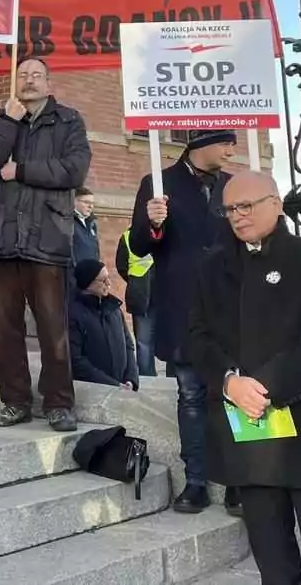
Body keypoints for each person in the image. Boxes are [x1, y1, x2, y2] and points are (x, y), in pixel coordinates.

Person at [186, 171, 301, 585]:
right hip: (250, 429)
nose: (237, 216)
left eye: (247, 206)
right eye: (230, 208)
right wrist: (230, 381)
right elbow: (197, 337)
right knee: (273, 562)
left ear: (276, 203)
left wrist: (263, 386)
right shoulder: (211, 268)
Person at [0, 57, 90, 432]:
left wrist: (20, 171)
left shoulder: (69, 121)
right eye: (22, 76)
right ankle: (15, 402)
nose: (29, 81)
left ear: (49, 84)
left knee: (53, 329)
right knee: (5, 330)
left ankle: (58, 404)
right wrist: (8, 121)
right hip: (0, 238)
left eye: (36, 75)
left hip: (47, 237)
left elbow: (74, 170)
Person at [128, 129, 240, 515]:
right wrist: (153, 222)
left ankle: (239, 481)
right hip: (184, 310)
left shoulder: (235, 185)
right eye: (227, 142)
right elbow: (141, 245)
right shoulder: (158, 184)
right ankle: (196, 482)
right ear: (200, 144)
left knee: (234, 396)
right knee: (191, 396)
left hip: (231, 311)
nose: (232, 150)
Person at [68, 260, 138, 391]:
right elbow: (76, 360)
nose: (109, 284)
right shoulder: (74, 314)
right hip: (94, 391)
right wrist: (113, 385)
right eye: (103, 280)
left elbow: (128, 345)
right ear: (88, 284)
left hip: (123, 387)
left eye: (108, 278)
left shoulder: (114, 309)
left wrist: (131, 379)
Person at [115, 229, 155, 376]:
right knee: (143, 343)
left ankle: (173, 380)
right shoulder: (127, 236)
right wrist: (135, 281)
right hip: (141, 296)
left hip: (164, 296)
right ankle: (148, 378)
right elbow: (121, 265)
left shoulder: (167, 232)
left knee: (171, 341)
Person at [72, 187, 99, 264]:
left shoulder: (92, 223)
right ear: (75, 201)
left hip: (90, 273)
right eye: (86, 202)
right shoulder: (68, 222)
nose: (91, 206)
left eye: (92, 203)